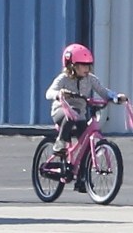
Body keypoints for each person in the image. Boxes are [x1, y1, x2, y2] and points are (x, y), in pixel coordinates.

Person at [45, 44, 126, 191]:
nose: (86, 68)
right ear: (71, 65)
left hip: (79, 115)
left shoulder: (90, 79)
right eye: (82, 65)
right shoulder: (63, 78)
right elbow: (49, 92)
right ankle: (60, 143)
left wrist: (115, 97)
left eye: (88, 65)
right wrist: (59, 94)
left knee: (86, 146)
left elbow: (103, 91)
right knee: (72, 114)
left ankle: (82, 179)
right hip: (61, 112)